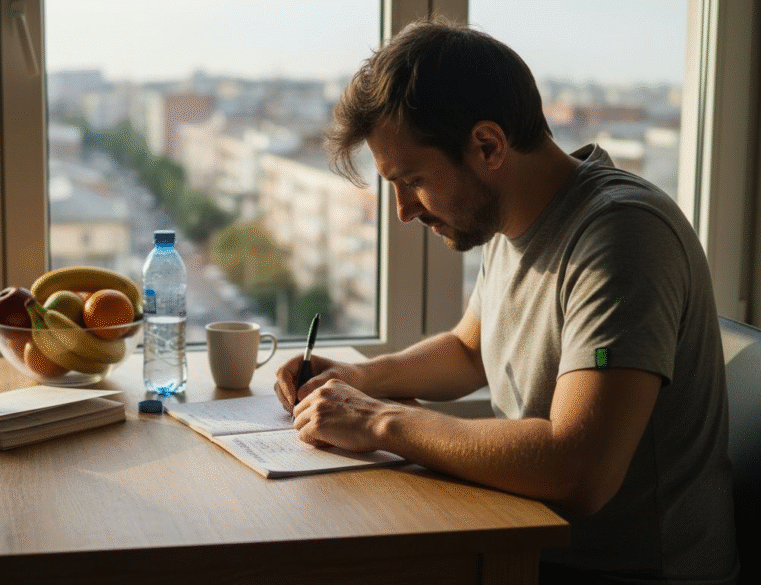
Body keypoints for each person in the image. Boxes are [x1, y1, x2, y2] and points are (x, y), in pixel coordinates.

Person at [273, 17, 738, 584]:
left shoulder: (622, 235)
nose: (404, 211)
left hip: (626, 573)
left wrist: (378, 421)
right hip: (527, 542)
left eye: (412, 180)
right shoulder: (511, 218)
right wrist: (359, 377)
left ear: (488, 146)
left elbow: (578, 469)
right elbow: (470, 350)